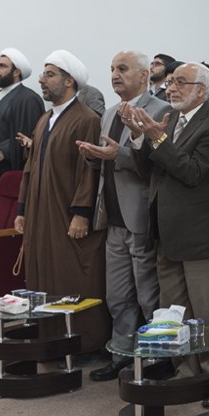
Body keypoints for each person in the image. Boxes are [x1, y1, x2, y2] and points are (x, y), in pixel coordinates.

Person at [132, 61, 209, 379]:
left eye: (180, 82)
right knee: (175, 311)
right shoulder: (171, 117)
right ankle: (186, 372)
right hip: (167, 232)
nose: (171, 88)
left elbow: (192, 172)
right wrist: (140, 136)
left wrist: (158, 139)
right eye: (171, 82)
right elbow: (148, 168)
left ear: (201, 90)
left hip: (201, 234)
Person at [77, 52, 169, 381]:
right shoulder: (110, 112)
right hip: (112, 216)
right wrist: (93, 156)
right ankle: (121, 354)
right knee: (117, 296)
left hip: (141, 214)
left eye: (123, 69)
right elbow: (108, 159)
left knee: (148, 295)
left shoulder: (161, 110)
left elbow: (157, 164)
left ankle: (158, 358)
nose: (115, 75)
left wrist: (119, 155)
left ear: (144, 75)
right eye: (112, 69)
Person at [16, 51, 108, 353]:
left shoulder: (86, 119)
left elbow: (89, 170)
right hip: (40, 214)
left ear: (70, 81)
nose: (42, 80)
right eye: (43, 74)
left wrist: (81, 213)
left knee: (73, 277)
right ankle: (49, 338)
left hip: (67, 215)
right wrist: (22, 209)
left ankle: (83, 344)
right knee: (43, 275)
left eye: (50, 74)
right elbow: (30, 167)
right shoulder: (45, 119)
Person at [0, 48, 44, 175]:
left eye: (2, 66)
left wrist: (3, 152)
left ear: (16, 72)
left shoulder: (28, 98)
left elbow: (28, 134)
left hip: (10, 169)